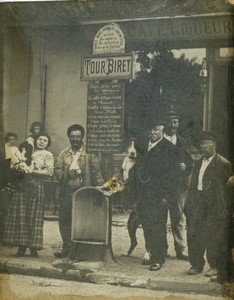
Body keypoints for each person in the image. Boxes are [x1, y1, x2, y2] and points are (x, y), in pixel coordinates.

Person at [128, 120, 181, 271]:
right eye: (151, 130)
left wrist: (167, 197)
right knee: (147, 226)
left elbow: (174, 176)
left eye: (157, 130)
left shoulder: (169, 149)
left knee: (158, 227)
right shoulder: (144, 147)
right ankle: (153, 253)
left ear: (163, 131)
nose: (153, 133)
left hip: (160, 197)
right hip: (144, 195)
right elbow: (136, 170)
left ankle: (158, 259)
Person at [185, 131, 233, 276]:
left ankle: (214, 266)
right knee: (194, 233)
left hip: (215, 205)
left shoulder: (223, 163)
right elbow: (193, 184)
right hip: (198, 202)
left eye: (206, 144)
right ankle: (196, 264)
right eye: (201, 144)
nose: (203, 147)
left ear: (214, 145)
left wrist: (226, 207)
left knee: (213, 235)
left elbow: (229, 188)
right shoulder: (198, 162)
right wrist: (189, 203)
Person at [53, 124, 105, 258]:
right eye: (72, 137)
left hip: (84, 192)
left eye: (77, 136)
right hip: (66, 192)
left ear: (82, 137)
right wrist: (65, 174)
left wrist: (102, 188)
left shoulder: (90, 153)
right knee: (65, 220)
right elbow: (57, 170)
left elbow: (96, 172)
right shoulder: (64, 153)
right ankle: (67, 248)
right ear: (69, 137)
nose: (75, 139)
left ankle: (81, 251)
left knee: (82, 221)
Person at [3, 133, 54, 257]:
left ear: (48, 143)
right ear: (35, 141)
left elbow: (49, 172)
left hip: (36, 185)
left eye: (45, 140)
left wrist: (32, 170)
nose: (42, 141)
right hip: (22, 185)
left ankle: (33, 247)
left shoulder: (47, 154)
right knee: (21, 215)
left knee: (34, 215)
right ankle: (21, 246)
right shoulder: (26, 150)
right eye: (40, 139)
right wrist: (19, 168)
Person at [163, 113, 193, 260]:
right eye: (170, 122)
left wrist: (185, 166)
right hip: (161, 186)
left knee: (178, 218)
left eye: (175, 122)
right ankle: (161, 249)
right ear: (165, 124)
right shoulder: (159, 141)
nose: (173, 125)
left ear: (178, 124)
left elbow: (190, 163)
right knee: (160, 217)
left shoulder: (183, 142)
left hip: (178, 187)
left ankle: (181, 249)